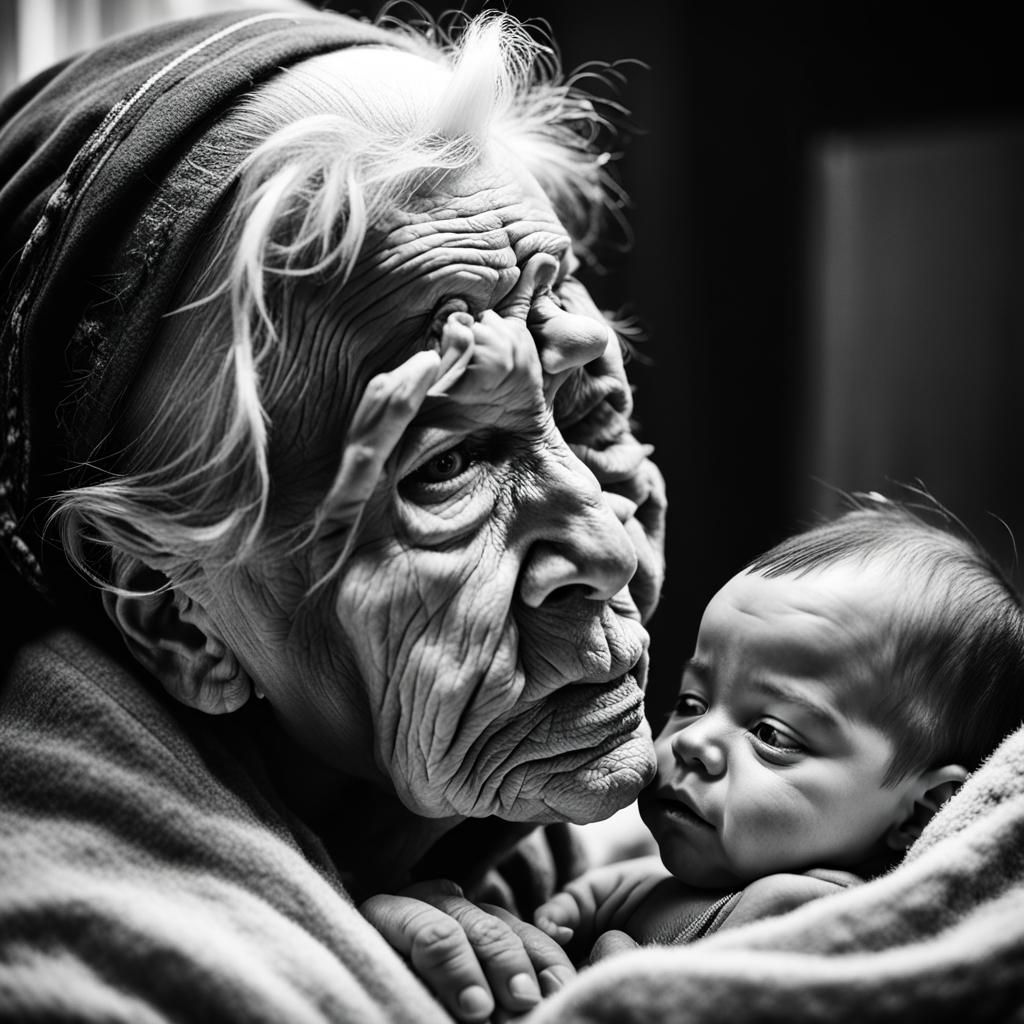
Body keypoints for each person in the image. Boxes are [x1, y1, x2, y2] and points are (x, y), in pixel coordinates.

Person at [0, 7, 667, 1022]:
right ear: (170, 610)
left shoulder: (613, 834)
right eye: (446, 463)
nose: (606, 545)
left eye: (587, 406)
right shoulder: (94, 962)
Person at [525, 495, 1024, 956]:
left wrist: (610, 954)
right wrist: (566, 913)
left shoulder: (822, 917)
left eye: (770, 735)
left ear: (921, 814)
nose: (692, 741)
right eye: (692, 702)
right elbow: (627, 892)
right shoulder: (677, 868)